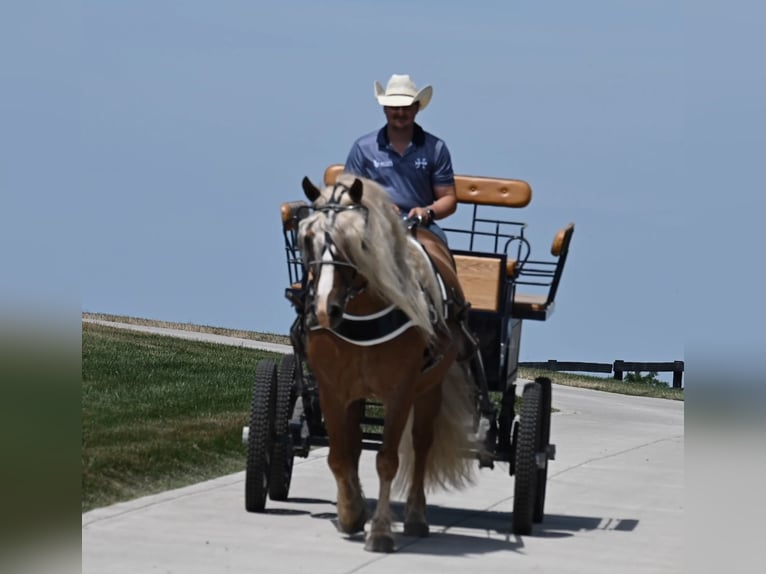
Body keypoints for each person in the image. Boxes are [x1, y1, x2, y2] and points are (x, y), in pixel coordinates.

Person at [344, 74, 457, 245]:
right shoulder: (363, 148)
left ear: (417, 108)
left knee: (440, 246)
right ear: (385, 108)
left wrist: (428, 211)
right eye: (394, 107)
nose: (400, 113)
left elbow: (448, 198)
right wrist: (378, 206)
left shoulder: (436, 148)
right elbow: (349, 194)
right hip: (373, 223)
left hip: (421, 226)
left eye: (406, 107)